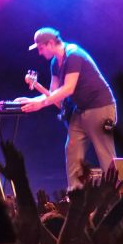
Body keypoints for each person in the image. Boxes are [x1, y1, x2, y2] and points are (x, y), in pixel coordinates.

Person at [16, 27, 116, 190]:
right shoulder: (55, 63)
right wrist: (34, 100)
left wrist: (41, 104)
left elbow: (68, 89)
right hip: (81, 110)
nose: (40, 53)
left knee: (106, 155)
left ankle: (115, 196)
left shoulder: (73, 55)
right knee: (72, 150)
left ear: (50, 43)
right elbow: (54, 93)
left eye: (41, 48)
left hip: (101, 107)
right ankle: (75, 194)